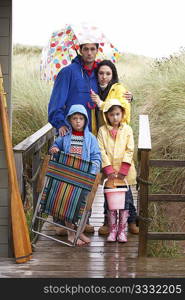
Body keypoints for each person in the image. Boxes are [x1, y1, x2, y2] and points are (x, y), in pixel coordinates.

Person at [48, 43, 132, 234]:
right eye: (85, 49)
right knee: (64, 180)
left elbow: (110, 94)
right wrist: (60, 123)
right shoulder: (68, 72)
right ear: (79, 50)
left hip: (90, 136)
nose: (89, 53)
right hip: (68, 134)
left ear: (96, 50)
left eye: (92, 49)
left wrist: (128, 97)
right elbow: (55, 102)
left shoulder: (96, 74)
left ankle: (82, 220)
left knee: (87, 181)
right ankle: (60, 221)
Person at [90, 60, 139, 235]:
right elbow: (101, 149)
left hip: (121, 155)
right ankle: (107, 221)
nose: (104, 76)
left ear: (113, 75)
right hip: (104, 146)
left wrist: (101, 103)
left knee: (126, 191)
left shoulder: (118, 88)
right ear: (97, 74)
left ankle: (131, 221)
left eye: (108, 73)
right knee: (108, 188)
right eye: (101, 73)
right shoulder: (92, 86)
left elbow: (122, 105)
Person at [50, 104, 101, 245]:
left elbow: (96, 156)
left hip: (84, 176)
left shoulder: (90, 138)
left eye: (81, 118)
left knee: (84, 206)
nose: (78, 121)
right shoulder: (65, 136)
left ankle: (80, 232)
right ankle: (71, 234)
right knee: (68, 205)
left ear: (85, 121)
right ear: (69, 120)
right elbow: (56, 145)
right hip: (67, 176)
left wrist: (93, 170)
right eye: (74, 118)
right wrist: (54, 148)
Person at [97, 98, 137, 242]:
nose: (115, 117)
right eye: (112, 114)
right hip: (110, 174)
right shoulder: (102, 131)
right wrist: (108, 168)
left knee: (127, 199)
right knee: (109, 199)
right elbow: (101, 150)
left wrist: (123, 169)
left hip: (123, 173)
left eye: (118, 114)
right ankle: (110, 225)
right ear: (106, 115)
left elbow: (130, 148)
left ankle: (126, 225)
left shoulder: (127, 129)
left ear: (122, 114)